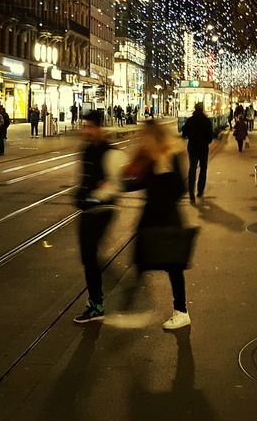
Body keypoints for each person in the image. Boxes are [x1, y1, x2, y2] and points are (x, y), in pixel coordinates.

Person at [123, 119, 192, 330]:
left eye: (144, 135)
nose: (141, 139)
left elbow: (180, 187)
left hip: (166, 216)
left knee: (172, 265)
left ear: (153, 136)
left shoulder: (170, 154)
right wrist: (119, 185)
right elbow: (143, 181)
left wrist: (159, 193)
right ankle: (133, 308)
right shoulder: (152, 156)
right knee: (141, 260)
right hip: (153, 216)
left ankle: (180, 311)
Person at [73, 111, 127, 323]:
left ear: (98, 128)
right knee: (88, 257)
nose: (84, 130)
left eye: (88, 127)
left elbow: (117, 184)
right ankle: (96, 300)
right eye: (83, 126)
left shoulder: (110, 153)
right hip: (87, 209)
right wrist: (81, 194)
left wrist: (96, 195)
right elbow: (84, 177)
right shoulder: (86, 150)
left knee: (90, 255)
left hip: (102, 211)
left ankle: (96, 304)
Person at [180, 103, 214, 203]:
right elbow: (210, 136)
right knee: (203, 168)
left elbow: (184, 133)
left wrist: (189, 136)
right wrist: (206, 141)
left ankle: (191, 192)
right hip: (203, 148)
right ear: (202, 109)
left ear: (195, 109)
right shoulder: (207, 121)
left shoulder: (190, 120)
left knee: (192, 169)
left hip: (192, 147)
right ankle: (200, 190)